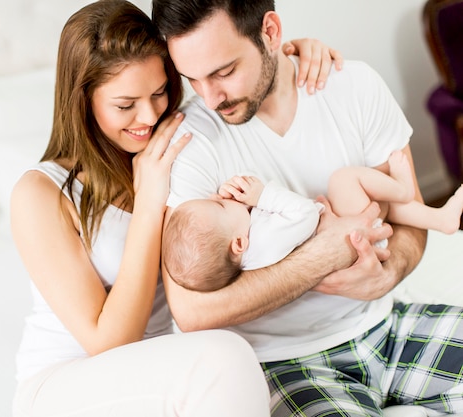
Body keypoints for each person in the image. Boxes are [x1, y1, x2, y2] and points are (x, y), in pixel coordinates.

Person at [9, 1, 338, 416]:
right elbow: (108, 344)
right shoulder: (41, 194)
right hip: (67, 382)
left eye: (160, 91)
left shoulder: (178, 144)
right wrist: (148, 204)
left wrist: (293, 55)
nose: (147, 116)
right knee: (225, 357)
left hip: (159, 375)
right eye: (125, 105)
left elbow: (234, 81)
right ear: (83, 102)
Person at [152, 1, 463, 415]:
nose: (210, 98)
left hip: (387, 326)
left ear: (271, 31)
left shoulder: (354, 86)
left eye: (224, 72)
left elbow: (414, 220)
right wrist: (323, 256)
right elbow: (192, 311)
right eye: (193, 79)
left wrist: (387, 275)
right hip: (287, 363)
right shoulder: (191, 143)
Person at [163, 152, 463, 292]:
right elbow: (305, 214)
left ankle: (441, 219)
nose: (220, 196)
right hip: (356, 244)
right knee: (344, 179)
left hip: (352, 238)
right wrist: (261, 195)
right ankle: (404, 188)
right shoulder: (264, 242)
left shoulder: (247, 252)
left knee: (380, 204)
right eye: (219, 204)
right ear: (238, 243)